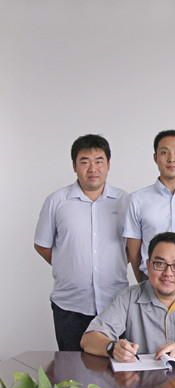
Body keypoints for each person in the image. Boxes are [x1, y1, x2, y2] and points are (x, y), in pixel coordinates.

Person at [34, 134, 129, 351]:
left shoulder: (125, 201)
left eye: (99, 161)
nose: (92, 169)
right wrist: (67, 264)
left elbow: (132, 246)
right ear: (74, 166)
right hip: (69, 304)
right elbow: (42, 245)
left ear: (108, 165)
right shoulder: (56, 201)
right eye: (85, 162)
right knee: (71, 365)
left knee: (115, 362)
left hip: (114, 302)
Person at [80, 232, 175, 362]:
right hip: (144, 382)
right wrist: (113, 348)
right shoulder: (127, 297)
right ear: (148, 265)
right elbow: (89, 339)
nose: (168, 273)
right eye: (160, 264)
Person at [123, 130, 175, 282]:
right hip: (153, 280)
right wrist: (143, 282)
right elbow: (134, 250)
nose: (171, 159)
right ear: (155, 157)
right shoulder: (137, 199)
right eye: (164, 152)